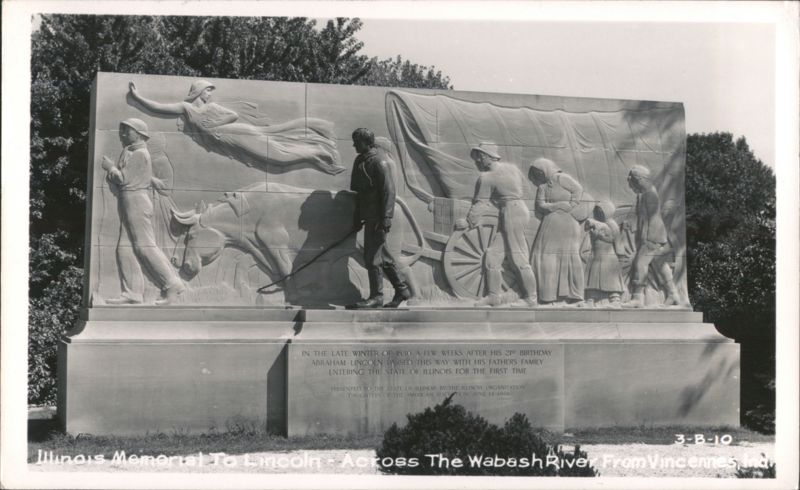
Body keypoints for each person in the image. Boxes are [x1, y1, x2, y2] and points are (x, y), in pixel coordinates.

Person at [128, 80, 345, 175]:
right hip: (227, 139)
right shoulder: (186, 108)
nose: (210, 94)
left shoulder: (211, 107)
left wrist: (212, 124)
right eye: (207, 90)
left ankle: (317, 151)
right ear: (200, 92)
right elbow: (160, 107)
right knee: (275, 154)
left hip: (236, 134)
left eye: (211, 91)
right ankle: (316, 153)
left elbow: (233, 115)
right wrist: (138, 97)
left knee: (276, 156)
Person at [101, 118, 185, 305]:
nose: (122, 134)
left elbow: (123, 180)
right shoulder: (128, 151)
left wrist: (111, 167)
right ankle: (133, 293)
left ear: (138, 133)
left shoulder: (140, 154)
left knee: (144, 246)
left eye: (126, 130)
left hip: (137, 201)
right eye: (121, 130)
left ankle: (172, 284)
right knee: (124, 247)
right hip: (128, 201)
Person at [454, 143, 537, 307]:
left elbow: (480, 203)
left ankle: (531, 299)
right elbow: (526, 188)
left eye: (478, 157)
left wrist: (469, 221)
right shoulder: (512, 168)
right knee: (493, 255)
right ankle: (494, 296)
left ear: (485, 156)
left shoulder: (486, 177)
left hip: (511, 214)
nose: (477, 161)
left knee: (518, 256)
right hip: (519, 209)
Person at [347, 128, 411, 308]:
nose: (354, 145)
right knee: (384, 257)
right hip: (368, 217)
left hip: (378, 218)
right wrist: (358, 217)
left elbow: (388, 191)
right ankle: (401, 289)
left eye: (357, 142)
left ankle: (377, 296)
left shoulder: (379, 162)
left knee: (372, 258)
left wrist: (386, 218)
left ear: (367, 142)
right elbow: (360, 193)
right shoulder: (360, 161)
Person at [529, 158, 585, 304]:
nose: (539, 175)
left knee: (569, 255)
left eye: (539, 171)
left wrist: (571, 205)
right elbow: (540, 204)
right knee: (545, 256)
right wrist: (557, 205)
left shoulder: (562, 178)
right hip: (550, 223)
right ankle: (547, 295)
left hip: (567, 222)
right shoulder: (542, 187)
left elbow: (578, 189)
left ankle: (574, 294)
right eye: (536, 173)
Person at [622, 165, 680, 307]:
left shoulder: (649, 194)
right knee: (659, 265)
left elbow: (651, 218)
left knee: (640, 264)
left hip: (652, 235)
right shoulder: (646, 193)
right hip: (653, 234)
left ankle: (638, 298)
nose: (632, 185)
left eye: (633, 181)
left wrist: (646, 237)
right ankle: (673, 294)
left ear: (640, 179)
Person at [581, 202, 624, 307]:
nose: (599, 213)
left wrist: (602, 236)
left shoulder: (613, 225)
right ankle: (590, 299)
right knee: (593, 277)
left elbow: (617, 242)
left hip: (609, 257)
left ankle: (615, 299)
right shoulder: (596, 224)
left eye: (601, 210)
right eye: (597, 211)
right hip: (596, 255)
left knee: (611, 278)